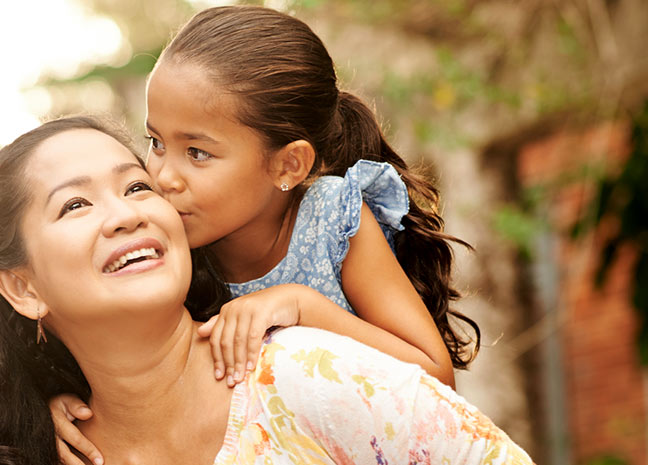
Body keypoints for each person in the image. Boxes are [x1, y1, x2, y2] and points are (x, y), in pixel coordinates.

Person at [0, 116, 531, 465]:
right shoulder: (55, 451)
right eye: (76, 204)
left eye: (138, 188)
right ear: (21, 287)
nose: (124, 215)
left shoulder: (304, 374)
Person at [52, 7, 481, 463]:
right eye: (156, 142)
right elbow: (118, 344)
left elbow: (434, 380)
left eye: (197, 152)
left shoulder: (330, 219)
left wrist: (301, 306)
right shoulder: (172, 249)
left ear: (288, 165)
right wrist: (71, 402)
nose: (162, 175)